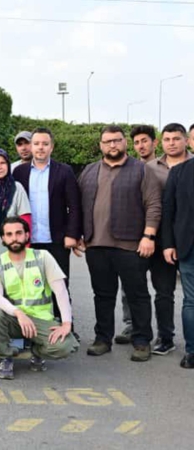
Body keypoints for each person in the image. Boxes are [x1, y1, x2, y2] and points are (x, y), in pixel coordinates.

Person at [78, 125, 161, 362]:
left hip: (131, 246)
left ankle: (142, 340)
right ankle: (103, 339)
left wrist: (148, 236)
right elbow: (78, 205)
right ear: (100, 145)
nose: (112, 145)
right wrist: (78, 235)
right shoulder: (90, 171)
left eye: (116, 140)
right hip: (96, 245)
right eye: (107, 141)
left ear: (124, 143)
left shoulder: (142, 171)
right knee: (102, 295)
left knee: (137, 295)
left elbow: (154, 205)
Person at [0, 217, 79, 379]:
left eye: (19, 233)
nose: (14, 238)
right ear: (3, 239)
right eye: (9, 234)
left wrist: (66, 323)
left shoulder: (42, 257)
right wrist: (19, 314)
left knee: (66, 346)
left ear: (27, 235)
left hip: (40, 319)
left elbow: (61, 291)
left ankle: (36, 351)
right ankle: (6, 357)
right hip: (14, 319)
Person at [12, 127, 82, 327]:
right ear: (31, 146)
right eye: (36, 144)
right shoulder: (20, 172)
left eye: (44, 144)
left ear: (52, 147)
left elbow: (74, 205)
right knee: (30, 287)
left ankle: (66, 326)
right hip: (28, 242)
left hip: (57, 239)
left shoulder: (64, 171)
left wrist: (72, 234)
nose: (40, 148)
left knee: (59, 285)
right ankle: (34, 329)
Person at [137, 123, 190, 356]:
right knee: (164, 292)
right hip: (159, 240)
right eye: (167, 139)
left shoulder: (191, 166)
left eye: (176, 139)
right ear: (161, 141)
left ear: (186, 140)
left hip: (188, 238)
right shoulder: (149, 168)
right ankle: (165, 337)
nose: (172, 143)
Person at [114, 125, 167, 345]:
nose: (140, 146)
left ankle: (165, 334)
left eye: (144, 141)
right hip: (134, 240)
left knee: (163, 290)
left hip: (162, 238)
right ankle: (131, 326)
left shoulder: (167, 168)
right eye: (136, 142)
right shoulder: (128, 169)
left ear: (155, 143)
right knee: (130, 287)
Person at [0, 149, 32, 344]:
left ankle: (15, 336)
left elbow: (25, 217)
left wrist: (24, 246)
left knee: (13, 294)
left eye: (3, 163)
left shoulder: (16, 187)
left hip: (11, 251)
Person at [162, 124, 194, 369]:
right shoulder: (179, 173)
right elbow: (168, 211)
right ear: (190, 142)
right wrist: (168, 244)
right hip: (187, 246)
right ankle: (192, 351)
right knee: (190, 301)